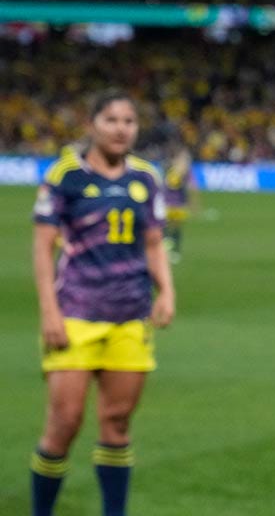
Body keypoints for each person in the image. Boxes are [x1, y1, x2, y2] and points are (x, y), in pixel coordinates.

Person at [30, 90, 176, 516]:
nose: (120, 128)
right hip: (74, 313)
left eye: (129, 121)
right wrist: (49, 312)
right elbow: (42, 248)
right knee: (64, 424)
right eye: (111, 119)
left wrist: (165, 289)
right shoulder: (65, 176)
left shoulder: (147, 178)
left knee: (117, 424)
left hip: (131, 316)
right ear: (92, 123)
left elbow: (153, 243)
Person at [162, 145, 199, 265]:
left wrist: (191, 202)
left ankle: (174, 251)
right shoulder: (169, 168)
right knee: (168, 228)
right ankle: (169, 250)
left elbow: (190, 187)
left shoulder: (181, 171)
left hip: (176, 204)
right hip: (169, 204)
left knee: (175, 228)